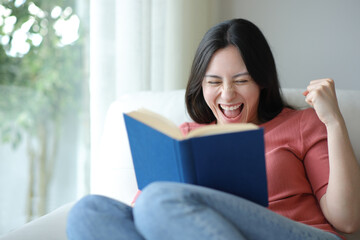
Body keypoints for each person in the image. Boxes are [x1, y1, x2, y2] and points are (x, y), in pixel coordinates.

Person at [66, 19, 360, 240]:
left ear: (262, 81)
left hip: (300, 233)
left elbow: (347, 221)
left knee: (160, 198)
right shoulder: (184, 137)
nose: (228, 95)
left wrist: (333, 120)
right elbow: (143, 215)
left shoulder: (301, 123)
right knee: (88, 211)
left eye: (242, 81)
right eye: (214, 82)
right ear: (201, 85)